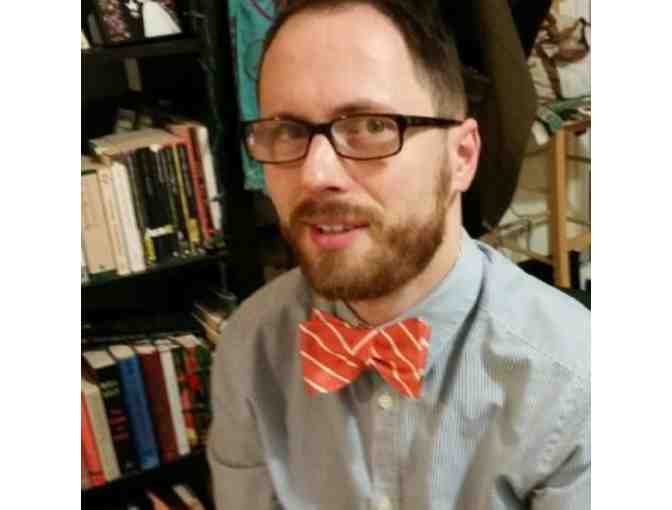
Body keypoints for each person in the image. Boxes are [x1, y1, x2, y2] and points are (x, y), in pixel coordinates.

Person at [207, 1, 590, 509]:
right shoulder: (247, 347)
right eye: (288, 132)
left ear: (462, 156)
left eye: (371, 126)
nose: (315, 175)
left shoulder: (579, 383)